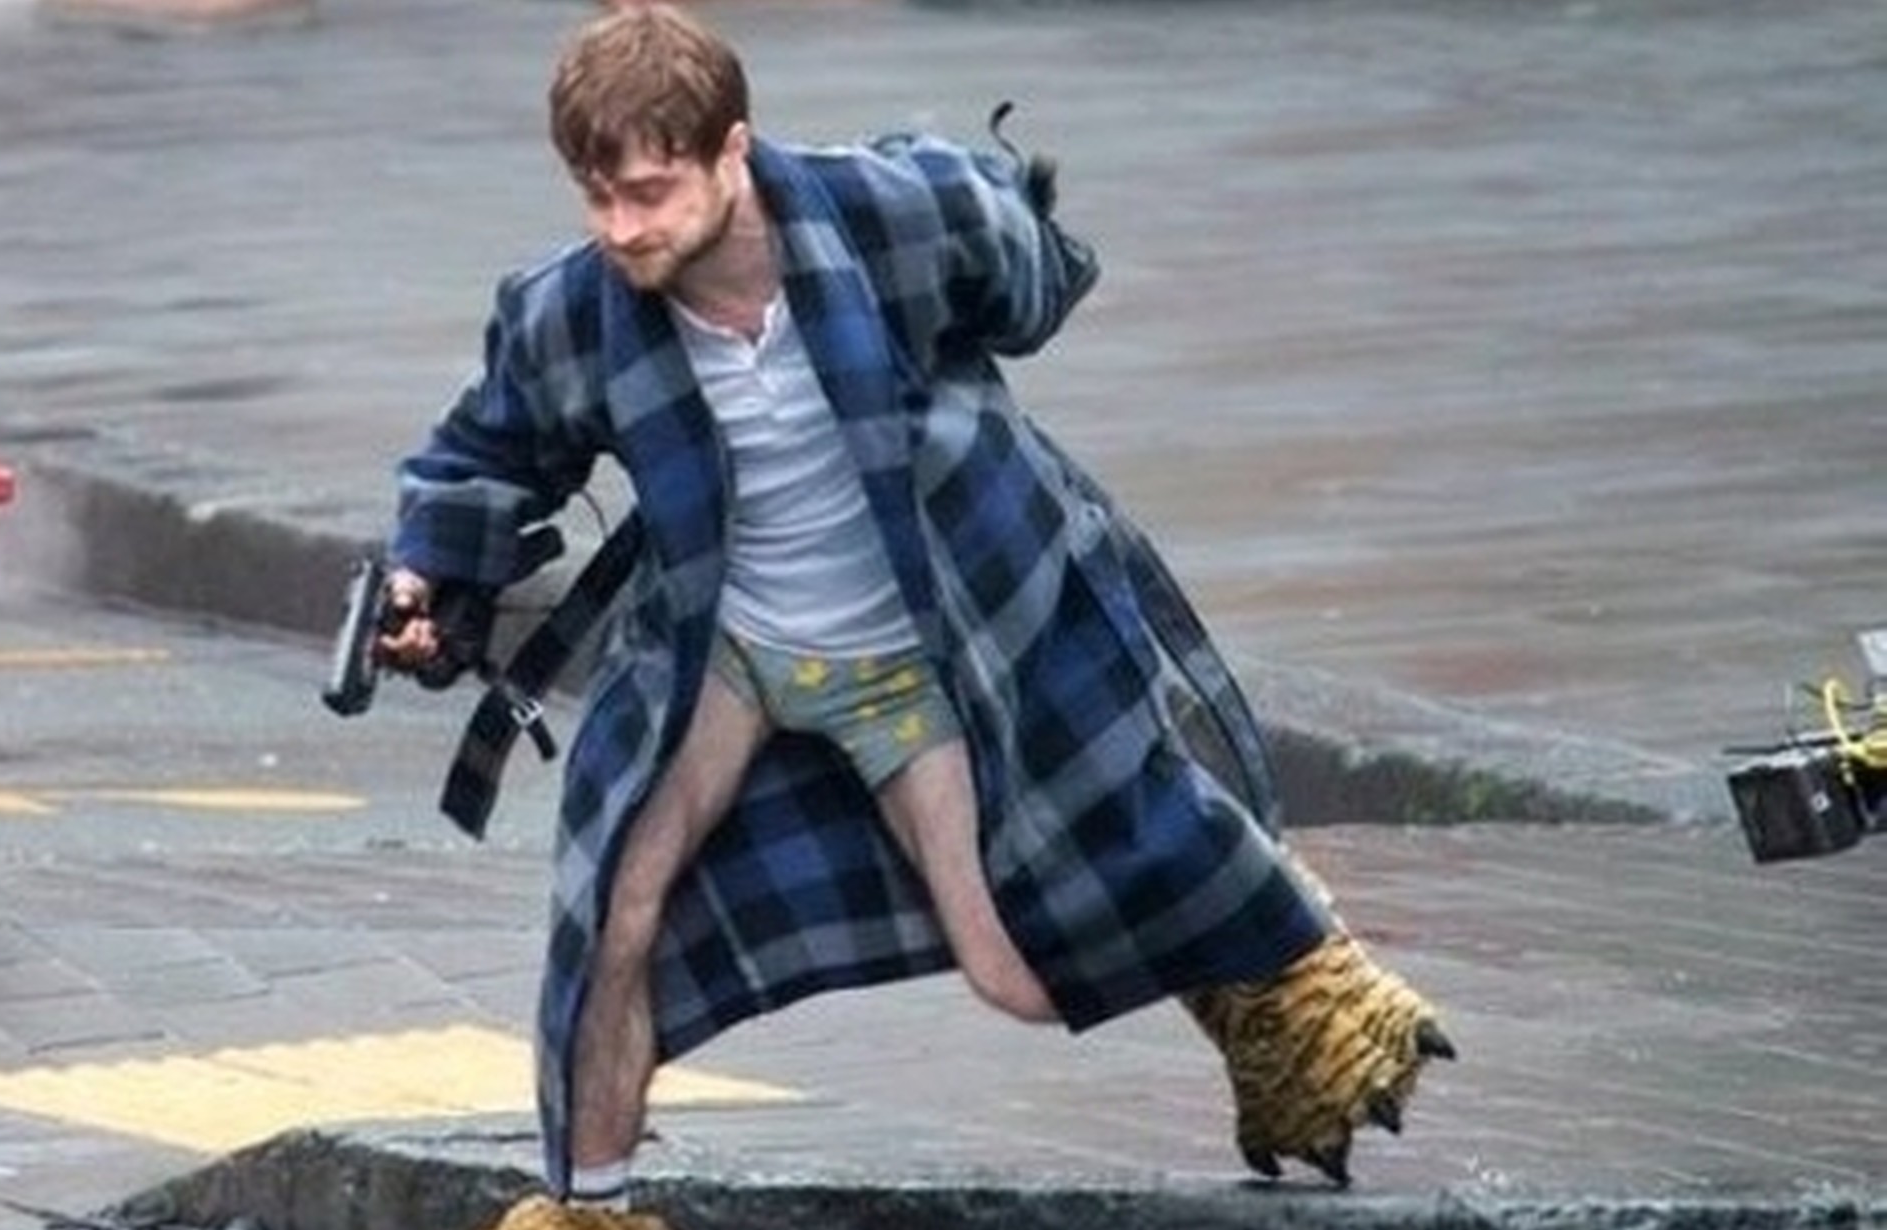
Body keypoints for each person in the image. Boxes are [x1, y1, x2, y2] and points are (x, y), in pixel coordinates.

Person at [373, 7, 1455, 1228]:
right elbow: (485, 454)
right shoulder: (568, 313)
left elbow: (1031, 273)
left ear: (733, 150)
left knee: (1019, 971)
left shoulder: (895, 213)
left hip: (917, 649)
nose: (622, 228)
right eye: (597, 197)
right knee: (613, 912)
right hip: (726, 654)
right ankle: (589, 1209)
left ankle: (1269, 955)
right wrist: (426, 577)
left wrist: (1003, 276)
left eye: (650, 194)